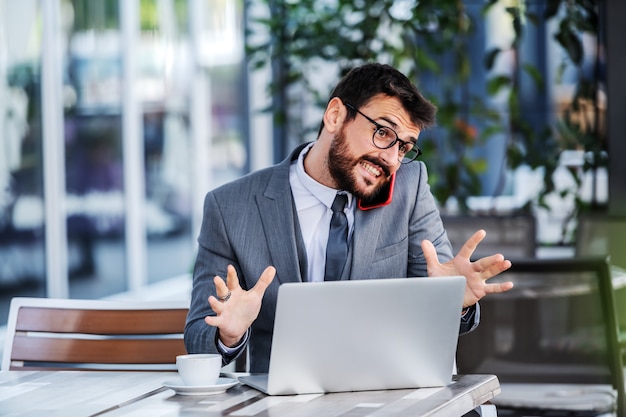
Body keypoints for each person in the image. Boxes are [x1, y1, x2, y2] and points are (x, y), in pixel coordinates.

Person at [184, 63, 514, 374]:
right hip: (283, 402)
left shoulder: (408, 188)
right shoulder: (230, 207)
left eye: (404, 147)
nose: (392, 159)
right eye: (384, 133)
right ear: (335, 115)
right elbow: (199, 337)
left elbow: (439, 295)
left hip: (387, 396)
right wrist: (228, 334)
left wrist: (452, 302)